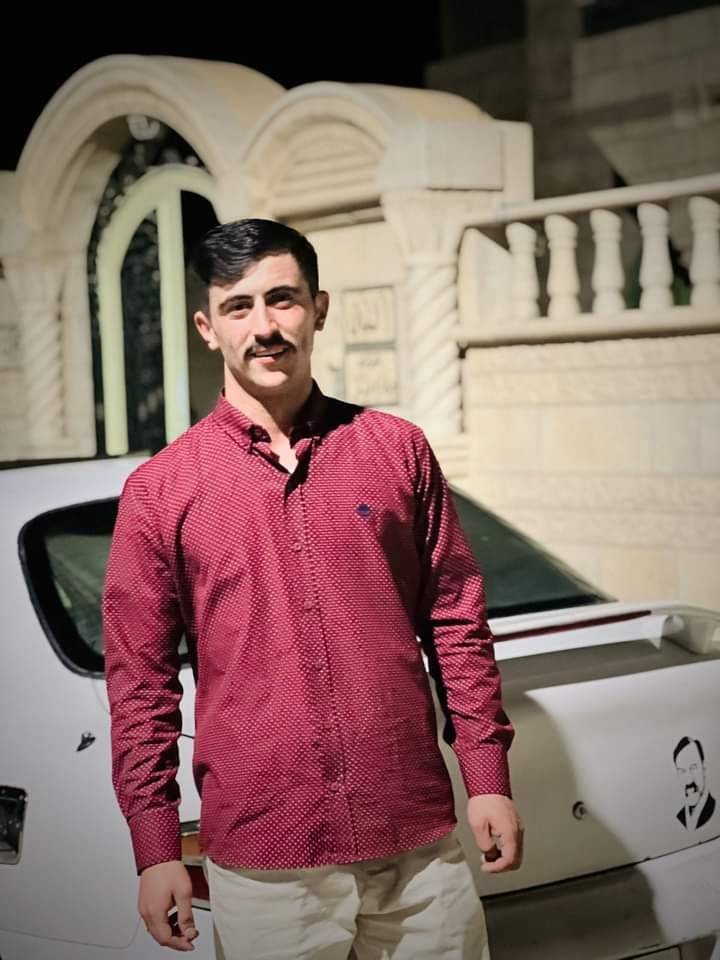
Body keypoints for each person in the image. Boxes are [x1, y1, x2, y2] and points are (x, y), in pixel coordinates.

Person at [102, 218, 523, 959]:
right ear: (207, 327)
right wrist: (156, 846)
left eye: (282, 299)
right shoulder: (161, 490)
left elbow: (456, 621)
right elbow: (140, 681)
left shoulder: (396, 450)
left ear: (318, 309)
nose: (264, 327)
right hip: (268, 859)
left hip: (416, 840)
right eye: (239, 307)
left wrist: (486, 775)